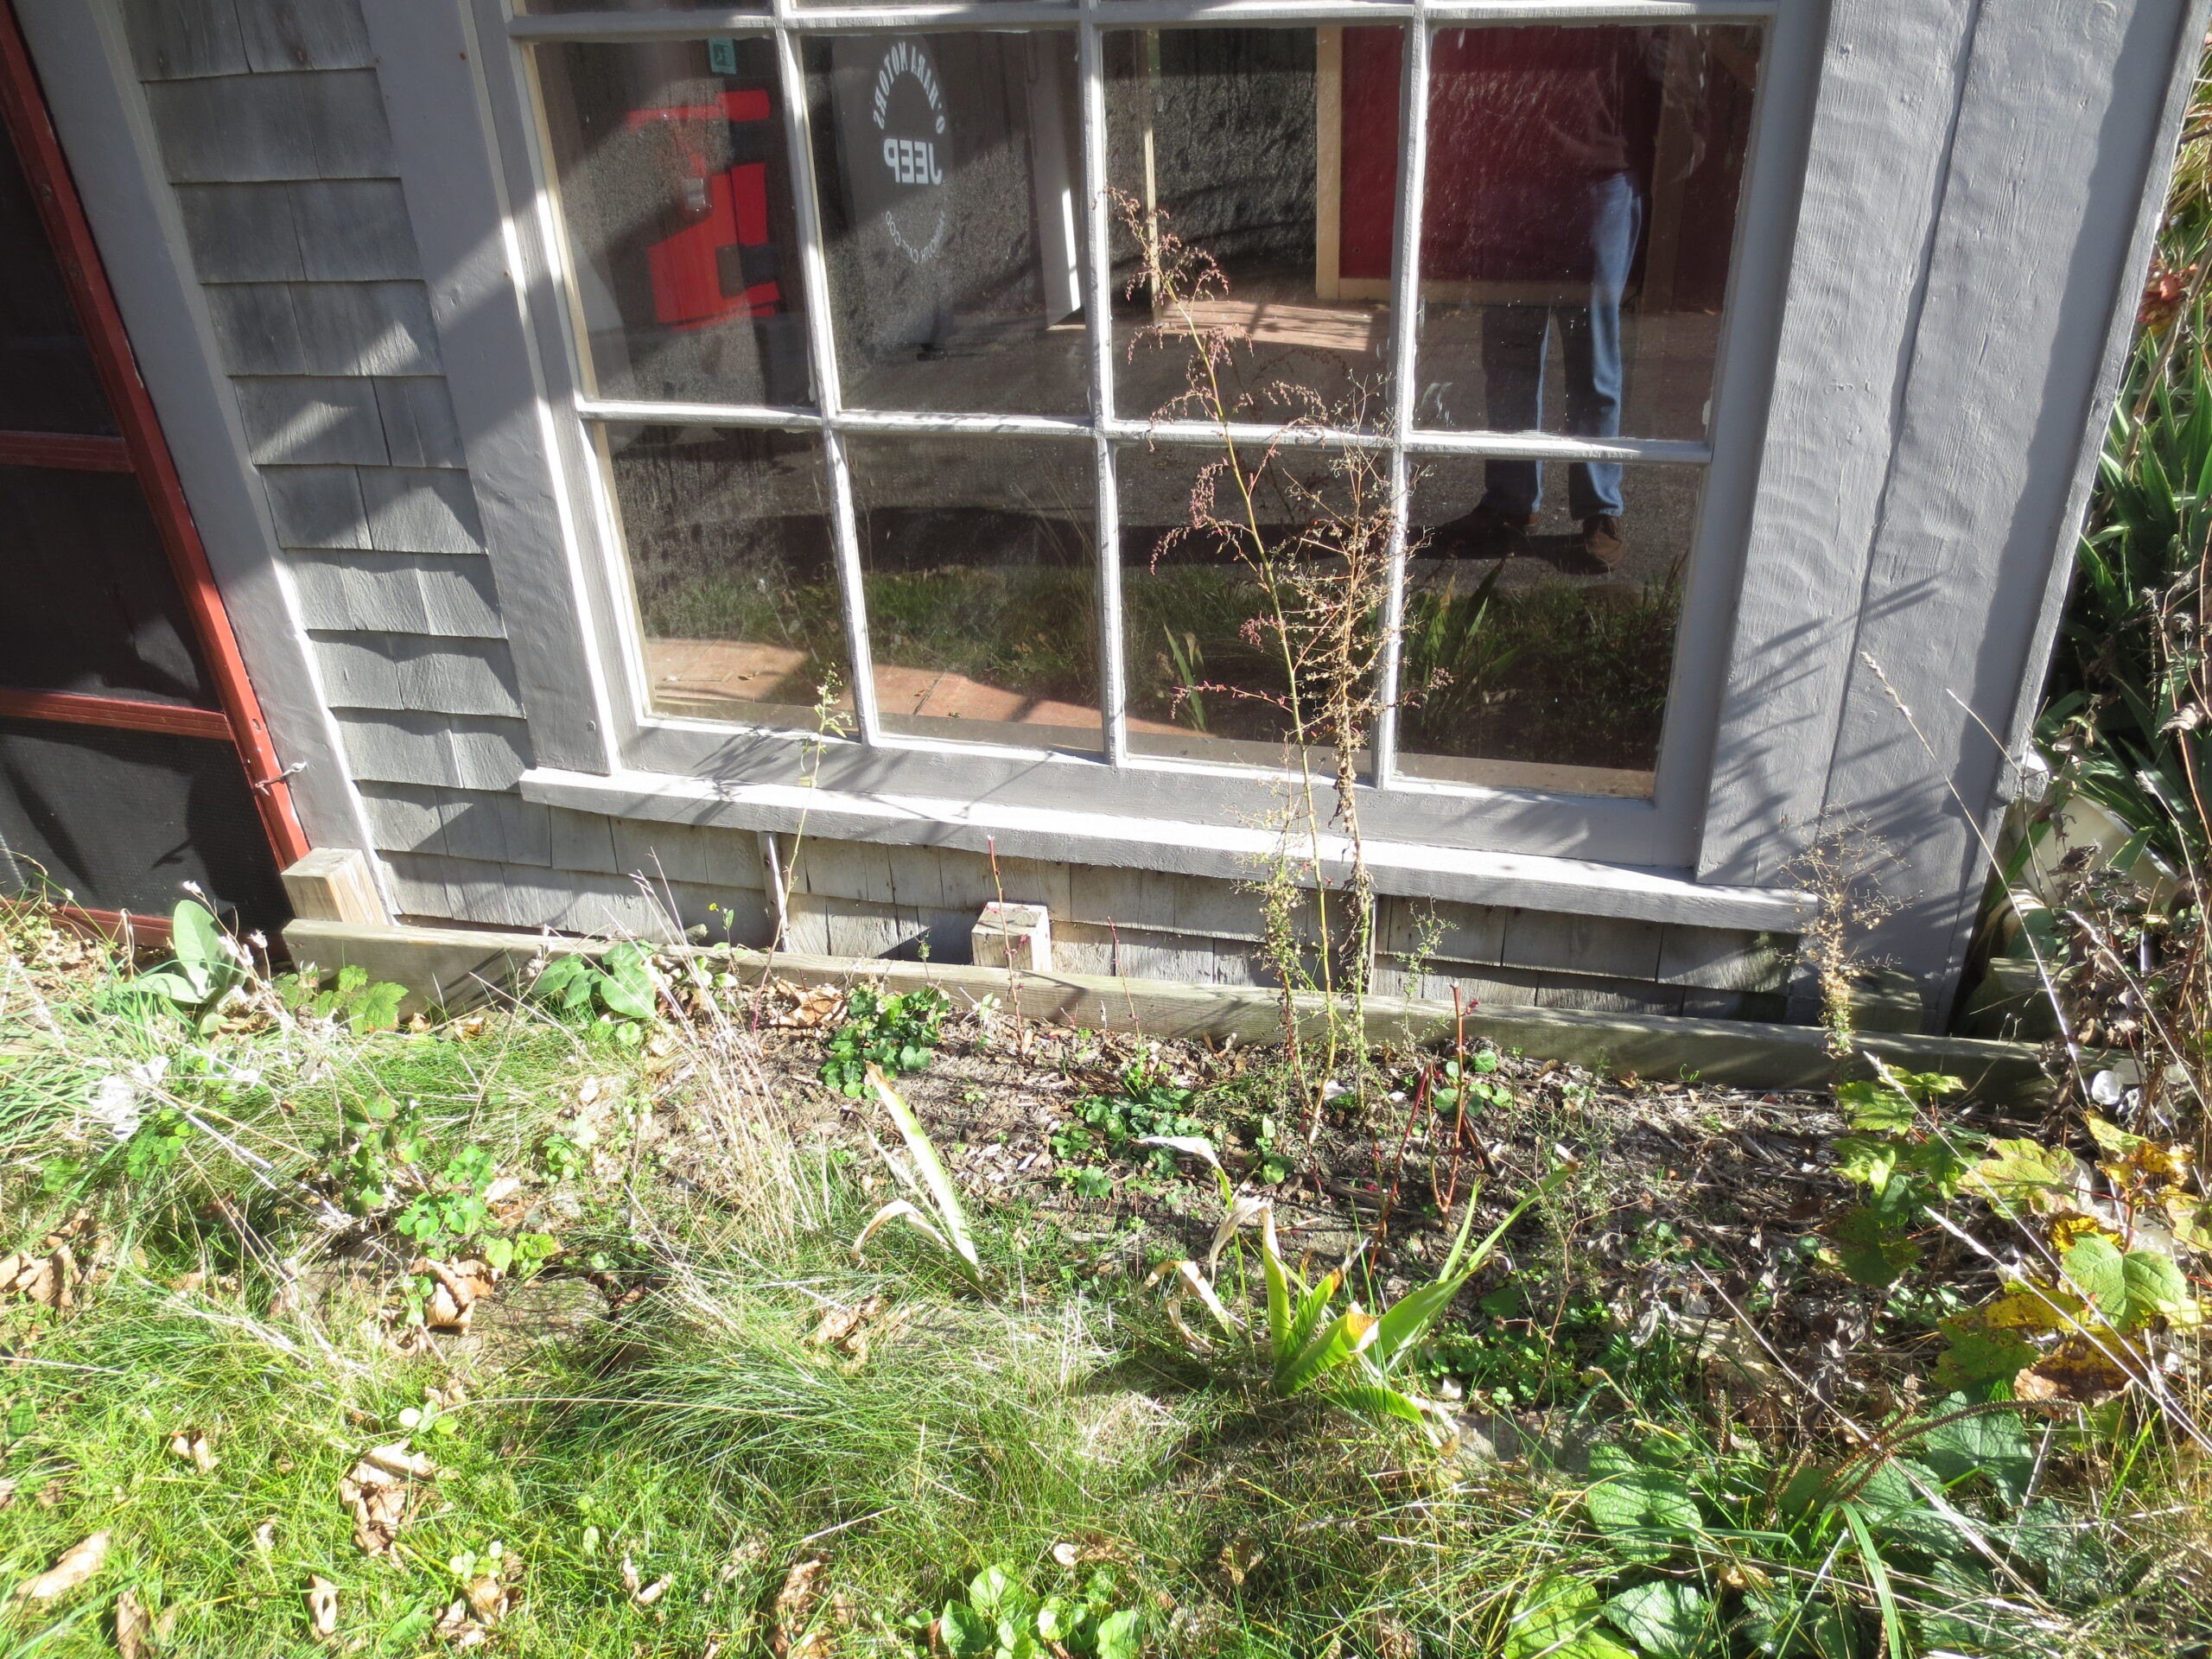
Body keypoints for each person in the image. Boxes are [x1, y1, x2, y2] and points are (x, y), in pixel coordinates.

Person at [1425, 27, 1666, 572]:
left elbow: (1664, 68)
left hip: (1600, 179)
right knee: (1508, 351)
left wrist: (1673, 153)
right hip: (1511, 175)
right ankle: (1511, 503)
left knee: (1593, 355)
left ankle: (1600, 511)